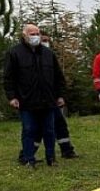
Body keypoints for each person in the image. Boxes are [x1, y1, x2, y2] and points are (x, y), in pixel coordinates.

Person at [3, 24, 67, 167]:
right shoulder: (14, 53)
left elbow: (58, 77)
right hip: (26, 101)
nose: (35, 36)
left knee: (49, 130)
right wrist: (12, 97)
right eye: (32, 34)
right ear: (24, 35)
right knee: (29, 130)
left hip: (48, 100)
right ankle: (28, 159)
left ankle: (51, 158)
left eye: (37, 33)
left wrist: (60, 96)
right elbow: (8, 78)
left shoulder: (48, 53)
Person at [17, 34, 78, 162]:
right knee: (36, 129)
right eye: (43, 41)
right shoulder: (27, 56)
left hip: (51, 99)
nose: (45, 43)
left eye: (46, 41)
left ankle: (66, 150)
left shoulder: (49, 56)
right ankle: (26, 155)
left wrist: (60, 95)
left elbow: (58, 78)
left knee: (59, 125)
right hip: (38, 101)